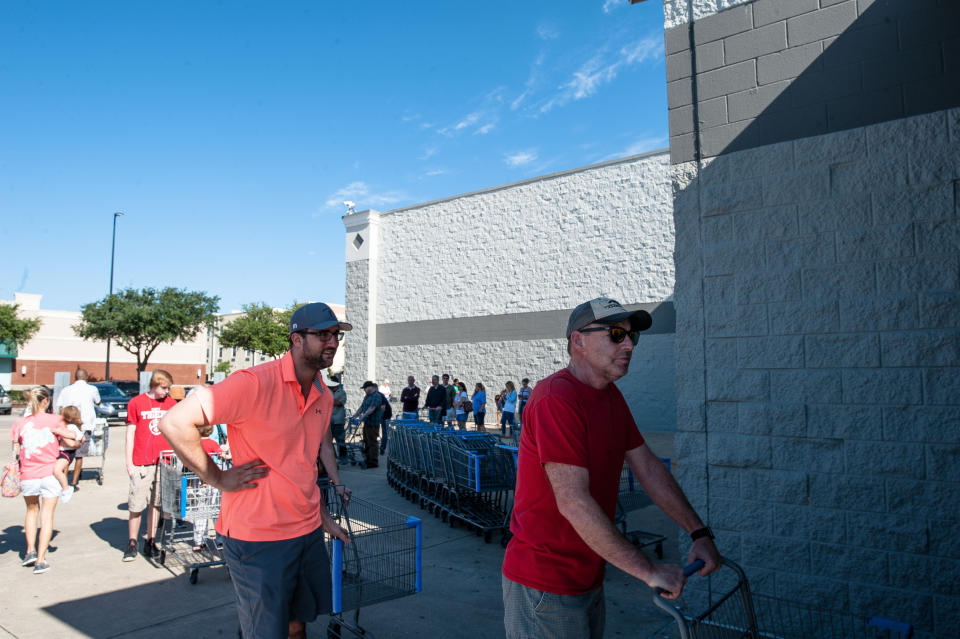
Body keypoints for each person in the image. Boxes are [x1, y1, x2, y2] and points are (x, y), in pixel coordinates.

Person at [502, 297, 720, 638]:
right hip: (546, 585)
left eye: (633, 336)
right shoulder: (555, 398)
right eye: (617, 334)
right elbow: (573, 501)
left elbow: (648, 467)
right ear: (578, 341)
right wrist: (648, 570)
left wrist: (698, 533)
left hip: (590, 576)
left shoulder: (610, 397)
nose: (629, 344)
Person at [159, 302, 352, 639]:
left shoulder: (323, 393)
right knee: (265, 632)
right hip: (258, 539)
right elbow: (175, 422)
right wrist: (216, 477)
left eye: (335, 335)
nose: (332, 342)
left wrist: (321, 515)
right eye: (322, 334)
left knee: (296, 625)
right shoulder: (253, 383)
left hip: (305, 532)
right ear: (296, 339)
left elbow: (304, 464)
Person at [11, 386, 82, 574]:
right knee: (47, 516)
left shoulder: (20, 422)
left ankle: (30, 551)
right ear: (46, 401)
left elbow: (17, 449)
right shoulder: (55, 420)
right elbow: (70, 439)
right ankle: (41, 560)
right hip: (50, 473)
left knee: (31, 511)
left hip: (28, 474)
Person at [124, 369, 176, 562]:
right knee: (136, 503)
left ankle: (151, 540)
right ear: (155, 385)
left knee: (156, 503)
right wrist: (129, 461)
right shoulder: (136, 403)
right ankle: (132, 542)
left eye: (168, 388)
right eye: (164, 387)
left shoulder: (170, 404)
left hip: (162, 461)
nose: (167, 391)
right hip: (142, 462)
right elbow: (130, 433)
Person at [53, 368, 101, 489]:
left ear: (75, 378)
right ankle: (74, 482)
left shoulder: (66, 390)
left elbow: (59, 407)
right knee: (79, 455)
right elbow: (98, 402)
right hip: (84, 426)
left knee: (65, 453)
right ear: (87, 378)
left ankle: (63, 478)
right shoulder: (92, 389)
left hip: (67, 426)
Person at [52, 406, 84, 503]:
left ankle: (66, 488)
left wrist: (58, 432)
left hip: (66, 452)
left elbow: (73, 436)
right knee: (59, 470)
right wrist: (79, 443)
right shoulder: (74, 427)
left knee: (57, 470)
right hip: (67, 452)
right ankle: (62, 486)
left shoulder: (70, 427)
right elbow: (83, 438)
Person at [352, 381, 385, 468]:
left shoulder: (376, 396)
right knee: (366, 441)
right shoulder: (367, 396)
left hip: (373, 423)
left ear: (370, 387)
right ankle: (367, 459)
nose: (364, 390)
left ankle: (373, 462)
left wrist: (363, 416)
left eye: (365, 388)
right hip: (367, 423)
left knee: (372, 442)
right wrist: (355, 415)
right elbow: (362, 407)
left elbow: (372, 408)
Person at [327, 373, 347, 459]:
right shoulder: (327, 391)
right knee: (328, 441)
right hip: (329, 420)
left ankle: (343, 457)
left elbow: (339, 403)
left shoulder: (342, 392)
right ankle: (333, 457)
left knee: (340, 440)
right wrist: (333, 401)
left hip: (339, 420)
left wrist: (330, 401)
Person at [379, 391, 392, 455]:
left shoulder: (379, 396)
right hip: (383, 415)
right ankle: (381, 447)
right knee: (384, 432)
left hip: (385, 416)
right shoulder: (376, 395)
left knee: (385, 432)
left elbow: (383, 408)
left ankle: (382, 448)